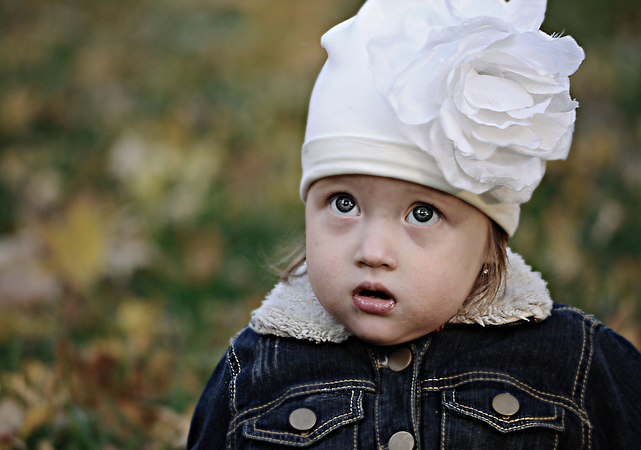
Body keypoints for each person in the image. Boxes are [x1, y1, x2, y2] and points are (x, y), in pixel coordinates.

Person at [187, 0, 641, 448]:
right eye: (344, 203)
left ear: (491, 245)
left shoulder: (572, 362)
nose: (373, 252)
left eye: (422, 214)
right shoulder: (255, 370)